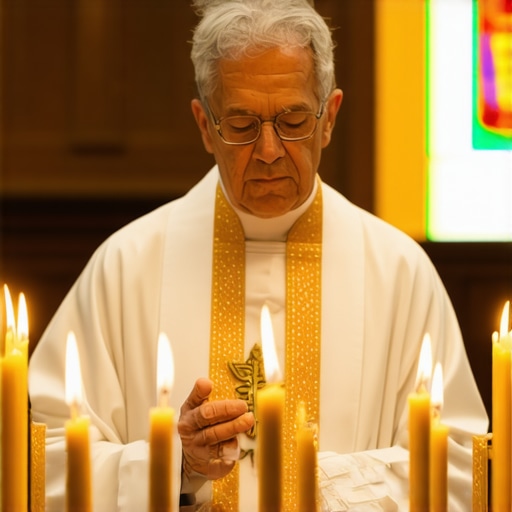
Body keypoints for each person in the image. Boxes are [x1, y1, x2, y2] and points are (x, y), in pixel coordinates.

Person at [28, 0, 488, 510]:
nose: (269, 150)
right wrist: (173, 466)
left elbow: (460, 467)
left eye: (292, 120)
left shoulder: (400, 274)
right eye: (243, 125)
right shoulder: (127, 268)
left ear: (329, 117)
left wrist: (320, 483)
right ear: (205, 126)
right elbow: (44, 459)